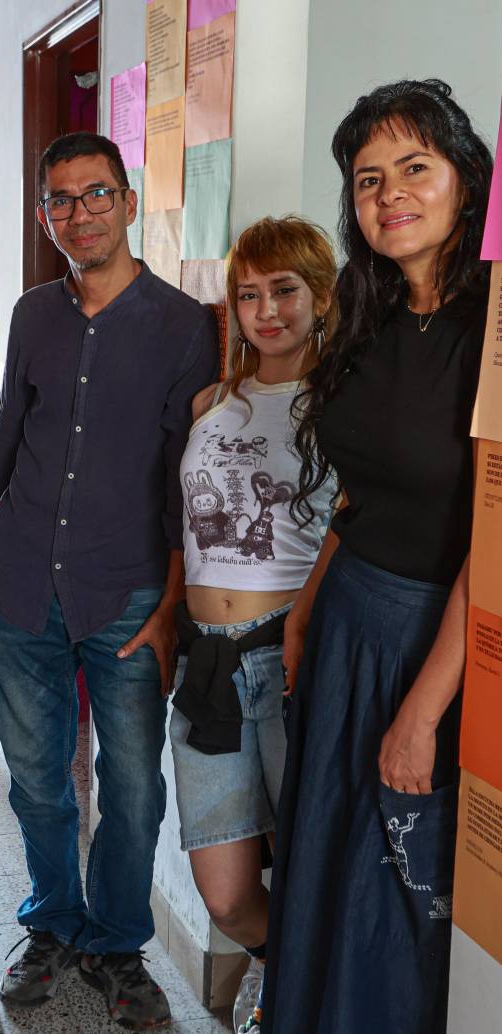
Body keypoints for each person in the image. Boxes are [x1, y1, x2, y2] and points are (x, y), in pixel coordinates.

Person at [261, 79, 493, 1034]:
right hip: (349, 626)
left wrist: (425, 712)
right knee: (325, 867)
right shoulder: (371, 316)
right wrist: (311, 606)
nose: (390, 193)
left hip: (434, 647)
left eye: (414, 168)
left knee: (399, 892)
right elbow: (358, 494)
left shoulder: (493, 335)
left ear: (465, 183)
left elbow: (496, 545)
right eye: (367, 179)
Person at [0, 131, 220, 1030]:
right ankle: (51, 923)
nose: (78, 213)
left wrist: (169, 603)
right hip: (22, 581)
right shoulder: (31, 314)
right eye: (60, 200)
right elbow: (12, 427)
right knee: (38, 778)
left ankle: (116, 942)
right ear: (46, 215)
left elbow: (185, 477)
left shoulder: (184, 324)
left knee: (131, 784)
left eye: (95, 194)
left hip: (126, 590)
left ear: (128, 202)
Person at [169, 217, 338, 1034]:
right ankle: (283, 969)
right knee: (228, 893)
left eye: (284, 290)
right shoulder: (213, 401)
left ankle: (295, 1003)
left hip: (283, 660)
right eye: (248, 294)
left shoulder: (342, 402)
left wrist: (306, 624)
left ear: (321, 295)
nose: (265, 310)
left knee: (309, 869)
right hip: (204, 669)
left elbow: (356, 533)